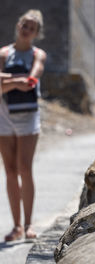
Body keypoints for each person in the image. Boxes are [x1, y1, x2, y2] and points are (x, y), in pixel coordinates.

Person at [0, 9, 47, 241]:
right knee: (9, 171)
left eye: (31, 27)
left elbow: (31, 81)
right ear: (18, 25)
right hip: (4, 116)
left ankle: (28, 225)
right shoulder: (3, 53)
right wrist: (17, 80)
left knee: (24, 169)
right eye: (24, 24)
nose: (26, 29)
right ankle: (16, 226)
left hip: (28, 117)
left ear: (36, 33)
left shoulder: (38, 54)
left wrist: (8, 80)